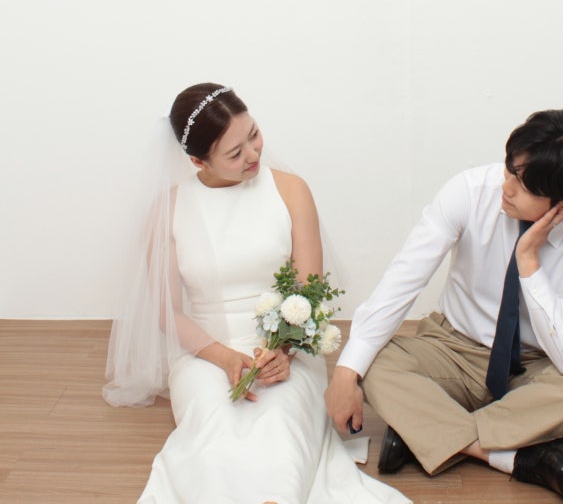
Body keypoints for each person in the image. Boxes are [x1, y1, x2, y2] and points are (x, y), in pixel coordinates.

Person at [103, 83, 410, 504]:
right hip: (205, 354)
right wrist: (226, 358)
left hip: (287, 351)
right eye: (234, 153)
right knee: (213, 435)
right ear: (197, 161)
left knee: (279, 428)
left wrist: (283, 352)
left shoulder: (291, 190)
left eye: (254, 135)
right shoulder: (169, 209)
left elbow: (309, 291)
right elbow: (169, 313)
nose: (253, 154)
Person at [325, 108, 563, 502]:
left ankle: (427, 433)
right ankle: (511, 456)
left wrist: (529, 263)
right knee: (372, 361)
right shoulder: (470, 191)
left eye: (523, 185)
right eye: (509, 168)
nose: (506, 187)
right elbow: (402, 281)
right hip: (452, 347)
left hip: (539, 364)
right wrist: (346, 374)